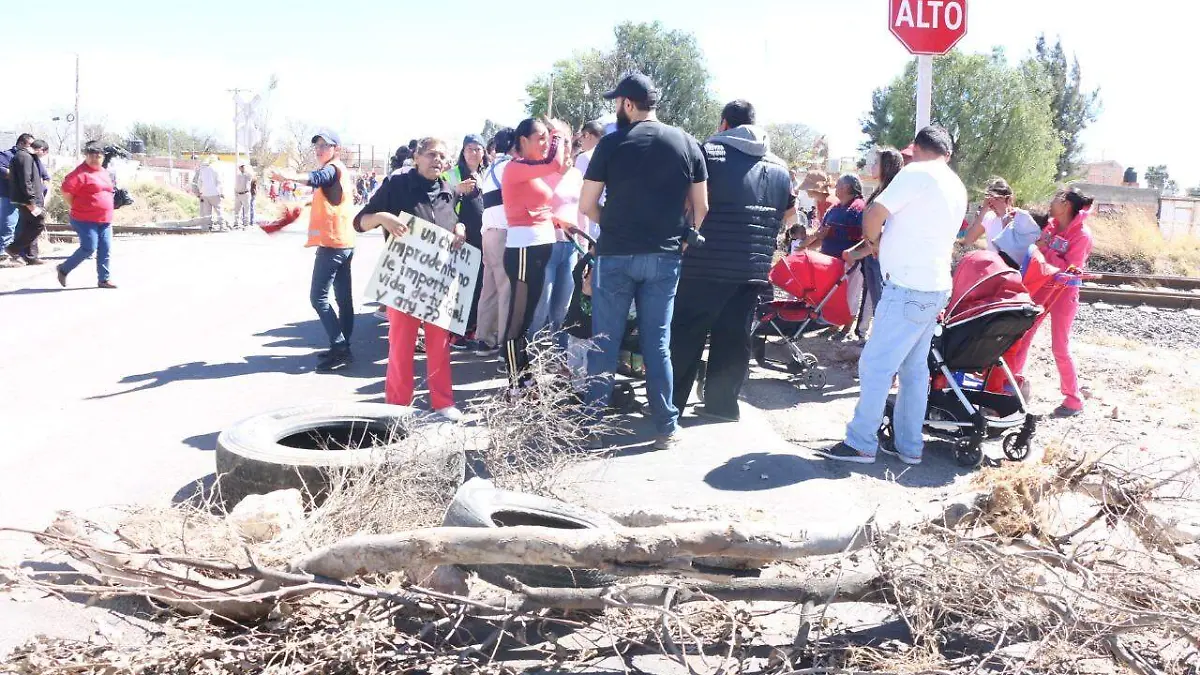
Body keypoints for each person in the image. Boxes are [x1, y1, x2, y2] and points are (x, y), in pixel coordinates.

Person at [818, 125, 967, 465]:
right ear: (948, 152)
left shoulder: (917, 172)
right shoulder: (955, 183)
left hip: (907, 286)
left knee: (876, 364)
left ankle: (860, 443)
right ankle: (909, 446)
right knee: (914, 369)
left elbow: (874, 213)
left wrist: (872, 243)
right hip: (934, 287)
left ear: (915, 148)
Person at [579, 73, 709, 450]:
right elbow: (701, 207)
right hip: (664, 257)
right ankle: (666, 426)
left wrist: (614, 225)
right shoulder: (686, 142)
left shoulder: (611, 144)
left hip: (616, 255)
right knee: (658, 342)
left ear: (628, 104)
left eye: (617, 103)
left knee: (604, 341)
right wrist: (683, 238)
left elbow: (587, 205)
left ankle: (590, 422)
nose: (615, 109)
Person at [670, 99, 793, 422]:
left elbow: (686, 201)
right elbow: (790, 214)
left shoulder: (707, 154)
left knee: (687, 333)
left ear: (724, 123)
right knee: (734, 336)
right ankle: (722, 406)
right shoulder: (780, 167)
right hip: (752, 266)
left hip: (704, 262)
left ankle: (672, 406)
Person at [355, 138, 466, 421]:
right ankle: (397, 408)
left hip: (438, 282)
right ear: (416, 157)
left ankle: (442, 402)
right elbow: (360, 221)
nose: (437, 160)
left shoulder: (448, 191)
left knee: (439, 346)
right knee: (401, 347)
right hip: (404, 280)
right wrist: (383, 218)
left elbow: (453, 223)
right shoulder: (396, 186)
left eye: (442, 155)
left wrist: (460, 229)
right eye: (430, 154)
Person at [269, 130, 357, 372]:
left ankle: (340, 348)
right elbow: (329, 196)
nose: (319, 149)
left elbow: (319, 178)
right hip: (345, 242)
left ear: (335, 149)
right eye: (316, 145)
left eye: (324, 145)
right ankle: (342, 346)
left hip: (333, 245)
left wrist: (289, 176)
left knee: (318, 298)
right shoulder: (340, 171)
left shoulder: (333, 169)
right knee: (343, 299)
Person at [1005, 187, 1094, 417]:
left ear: (1065, 205)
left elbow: (1072, 269)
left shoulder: (1082, 235)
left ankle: (1073, 399)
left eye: (1055, 199)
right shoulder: (1051, 227)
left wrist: (1047, 254)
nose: (1050, 203)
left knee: (1060, 347)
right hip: (1043, 288)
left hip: (1065, 294)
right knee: (1023, 335)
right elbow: (1039, 253)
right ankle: (1010, 386)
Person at [499, 117, 569, 391]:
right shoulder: (515, 167)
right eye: (539, 138)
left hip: (537, 250)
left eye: (545, 138)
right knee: (518, 322)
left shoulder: (529, 170)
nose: (544, 143)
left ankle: (524, 376)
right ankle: (517, 383)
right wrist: (558, 134)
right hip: (524, 252)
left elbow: (532, 203)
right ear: (523, 140)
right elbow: (555, 163)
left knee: (526, 319)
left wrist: (556, 219)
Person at [528, 139, 585, 351]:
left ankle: (560, 357)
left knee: (563, 307)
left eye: (569, 143)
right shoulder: (540, 173)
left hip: (570, 248)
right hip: (545, 246)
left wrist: (583, 249)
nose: (566, 148)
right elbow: (532, 208)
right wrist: (558, 221)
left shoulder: (577, 175)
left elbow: (582, 212)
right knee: (541, 305)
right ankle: (528, 356)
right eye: (560, 143)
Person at [850, 147, 904, 338]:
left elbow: (887, 227)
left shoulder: (891, 193)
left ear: (887, 166)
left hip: (882, 258)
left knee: (882, 304)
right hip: (873, 257)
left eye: (876, 163)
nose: (872, 166)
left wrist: (870, 246)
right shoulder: (878, 191)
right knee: (875, 301)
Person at [804, 174, 866, 337]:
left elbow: (866, 237)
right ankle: (833, 324)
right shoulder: (835, 208)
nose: (834, 188)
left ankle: (847, 328)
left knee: (850, 295)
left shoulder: (859, 209)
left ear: (846, 188)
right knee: (833, 295)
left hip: (850, 262)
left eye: (837, 185)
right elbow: (822, 233)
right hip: (830, 262)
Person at [444, 134, 489, 348]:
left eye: (478, 149)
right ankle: (455, 331)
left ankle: (470, 327)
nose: (474, 152)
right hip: (460, 237)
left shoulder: (486, 174)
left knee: (478, 284)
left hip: (482, 238)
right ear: (463, 152)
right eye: (469, 148)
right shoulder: (452, 174)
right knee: (460, 286)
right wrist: (456, 190)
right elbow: (440, 202)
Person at [475, 129, 515, 357]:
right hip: (503, 233)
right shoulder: (509, 167)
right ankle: (504, 343)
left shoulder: (490, 169)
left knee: (489, 288)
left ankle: (485, 338)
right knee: (506, 289)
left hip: (488, 233)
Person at [56, 141, 117, 288]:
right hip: (84, 219)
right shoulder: (80, 173)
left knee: (105, 248)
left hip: (105, 219)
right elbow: (66, 191)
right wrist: (75, 205)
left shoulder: (104, 172)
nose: (95, 159)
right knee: (89, 247)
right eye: (92, 156)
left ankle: (104, 279)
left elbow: (108, 190)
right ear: (86, 156)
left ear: (103, 157)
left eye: (98, 156)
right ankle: (63, 269)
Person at [4, 134, 47, 265]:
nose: (43, 156)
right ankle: (13, 248)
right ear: (39, 149)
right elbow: (25, 180)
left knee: (30, 224)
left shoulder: (27, 157)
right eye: (44, 152)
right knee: (39, 221)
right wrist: (31, 202)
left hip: (26, 199)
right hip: (26, 201)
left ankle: (30, 256)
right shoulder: (24, 157)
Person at [0, 133, 34, 258]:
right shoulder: (6, 155)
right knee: (8, 225)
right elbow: (2, 170)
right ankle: (3, 253)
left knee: (21, 226)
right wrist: (20, 175)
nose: (32, 147)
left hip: (24, 197)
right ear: (21, 143)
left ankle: (17, 253)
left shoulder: (30, 157)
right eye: (30, 144)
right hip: (8, 195)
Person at [960, 177, 1014, 252]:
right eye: (989, 199)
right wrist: (984, 209)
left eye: (996, 199)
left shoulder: (1019, 219)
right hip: (993, 262)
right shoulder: (989, 217)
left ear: (1008, 199)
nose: (992, 204)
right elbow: (968, 240)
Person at [192, 156, 224, 227]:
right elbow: (219, 182)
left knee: (207, 212)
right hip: (215, 194)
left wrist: (200, 192)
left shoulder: (201, 171)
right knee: (219, 210)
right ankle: (222, 225)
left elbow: (199, 183)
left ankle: (208, 226)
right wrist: (221, 192)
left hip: (205, 195)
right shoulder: (215, 170)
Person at [234, 164, 253, 228]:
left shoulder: (248, 175)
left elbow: (250, 176)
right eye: (240, 167)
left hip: (245, 194)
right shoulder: (238, 175)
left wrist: (246, 170)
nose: (242, 168)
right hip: (238, 194)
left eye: (243, 166)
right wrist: (235, 192)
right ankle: (236, 223)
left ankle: (246, 224)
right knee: (237, 210)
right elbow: (236, 184)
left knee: (246, 210)